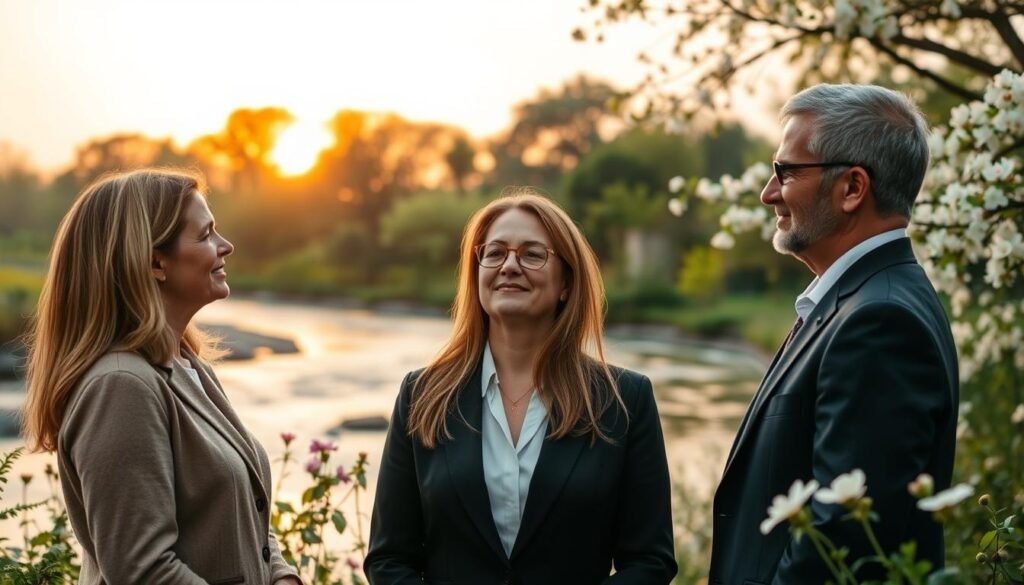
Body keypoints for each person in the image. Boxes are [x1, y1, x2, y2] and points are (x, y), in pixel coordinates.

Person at [709, 84, 959, 584]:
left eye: (786, 172)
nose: (768, 193)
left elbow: (841, 540)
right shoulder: (857, 302)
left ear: (852, 188)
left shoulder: (880, 321)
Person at [365, 190, 677, 584]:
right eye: (494, 253)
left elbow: (650, 561)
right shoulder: (421, 395)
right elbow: (389, 559)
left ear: (566, 282)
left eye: (532, 254)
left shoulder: (625, 400)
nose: (509, 266)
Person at [24, 169, 302, 585]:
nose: (226, 246)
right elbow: (143, 570)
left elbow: (242, 515)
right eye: (206, 234)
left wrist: (282, 576)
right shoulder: (120, 387)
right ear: (156, 262)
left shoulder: (190, 367)